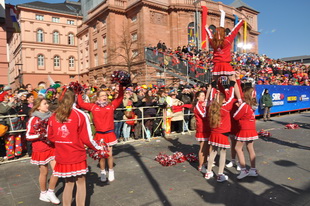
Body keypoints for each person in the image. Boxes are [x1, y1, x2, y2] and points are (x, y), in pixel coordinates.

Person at [48, 88, 102, 206]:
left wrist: (62, 142)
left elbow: (50, 137)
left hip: (62, 155)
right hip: (76, 154)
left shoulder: (54, 115)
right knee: (81, 183)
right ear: (74, 98)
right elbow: (87, 138)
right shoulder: (79, 114)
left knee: (68, 184)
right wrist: (99, 148)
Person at [77, 84, 124, 182]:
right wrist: (78, 92)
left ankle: (111, 171)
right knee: (101, 156)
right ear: (97, 97)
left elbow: (120, 98)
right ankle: (103, 172)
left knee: (109, 154)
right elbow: (81, 103)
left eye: (106, 95)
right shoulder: (93, 106)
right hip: (99, 135)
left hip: (109, 134)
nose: (105, 97)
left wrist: (121, 86)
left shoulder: (111, 105)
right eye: (102, 95)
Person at [26, 98, 60, 204]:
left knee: (57, 170)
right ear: (38, 107)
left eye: (47, 103)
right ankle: (43, 192)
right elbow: (28, 136)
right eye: (45, 104)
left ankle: (51, 191)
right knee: (44, 172)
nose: (47, 105)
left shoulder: (51, 116)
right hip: (40, 149)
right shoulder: (33, 119)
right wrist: (41, 135)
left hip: (52, 147)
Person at [205, 20, 244, 102]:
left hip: (217, 65)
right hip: (225, 64)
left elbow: (209, 35)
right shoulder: (227, 40)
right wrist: (241, 21)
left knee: (213, 83)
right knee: (233, 80)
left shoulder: (213, 42)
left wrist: (207, 29)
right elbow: (235, 30)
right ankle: (239, 99)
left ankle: (206, 99)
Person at [205, 80, 235, 182]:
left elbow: (211, 98)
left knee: (212, 152)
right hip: (223, 133)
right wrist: (232, 86)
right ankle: (220, 174)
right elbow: (231, 98)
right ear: (222, 100)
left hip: (214, 132)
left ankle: (208, 172)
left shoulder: (211, 107)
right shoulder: (225, 108)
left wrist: (213, 87)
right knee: (222, 153)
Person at [233, 87, 259, 179]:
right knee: (250, 148)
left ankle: (243, 170)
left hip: (244, 128)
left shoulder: (244, 105)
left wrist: (238, 107)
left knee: (237, 148)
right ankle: (253, 169)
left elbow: (235, 116)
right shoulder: (253, 104)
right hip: (252, 128)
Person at [193, 91, 210, 173]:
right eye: (202, 95)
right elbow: (204, 115)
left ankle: (205, 162)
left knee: (207, 147)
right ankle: (200, 165)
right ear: (198, 97)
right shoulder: (197, 106)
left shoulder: (204, 104)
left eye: (204, 95)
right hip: (202, 129)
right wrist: (207, 107)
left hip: (207, 128)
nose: (204, 97)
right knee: (203, 148)